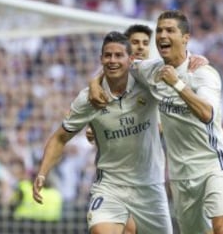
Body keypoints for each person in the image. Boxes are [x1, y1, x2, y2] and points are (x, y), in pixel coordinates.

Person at [89, 10, 223, 234]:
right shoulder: (152, 70)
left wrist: (177, 84)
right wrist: (94, 82)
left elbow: (207, 113)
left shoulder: (203, 74)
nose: (162, 35)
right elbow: (119, 65)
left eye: (170, 30)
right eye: (159, 30)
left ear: (186, 38)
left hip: (213, 165)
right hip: (181, 175)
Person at [33, 31, 173, 234]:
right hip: (110, 185)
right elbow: (60, 138)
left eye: (118, 55)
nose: (112, 60)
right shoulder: (89, 98)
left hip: (150, 186)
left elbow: (171, 64)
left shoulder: (146, 82)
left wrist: (195, 60)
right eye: (108, 56)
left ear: (130, 59)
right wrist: (42, 173)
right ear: (101, 59)